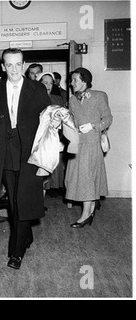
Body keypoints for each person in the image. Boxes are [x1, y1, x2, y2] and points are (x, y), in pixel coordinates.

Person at [0, 48, 51, 270]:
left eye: (18, 64)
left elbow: (48, 124)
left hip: (29, 153)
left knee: (22, 199)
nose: (14, 69)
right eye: (9, 65)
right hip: (4, 154)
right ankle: (25, 237)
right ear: (3, 66)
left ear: (24, 64)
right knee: (15, 201)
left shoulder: (36, 89)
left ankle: (16, 252)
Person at [65, 67, 113, 228]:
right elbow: (72, 121)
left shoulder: (99, 96)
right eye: (71, 80)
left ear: (85, 81)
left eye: (75, 80)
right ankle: (90, 211)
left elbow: (108, 118)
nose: (71, 83)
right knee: (78, 179)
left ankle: (86, 215)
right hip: (77, 144)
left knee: (87, 179)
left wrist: (93, 126)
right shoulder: (72, 100)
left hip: (92, 144)